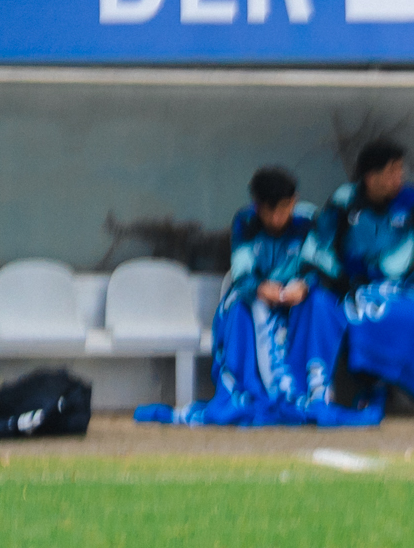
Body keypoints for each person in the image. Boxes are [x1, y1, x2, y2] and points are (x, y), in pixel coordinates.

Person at [135, 166, 371, 428]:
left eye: (284, 208)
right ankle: (249, 392)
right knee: (238, 308)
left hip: (298, 302)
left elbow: (325, 268)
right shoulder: (245, 221)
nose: (277, 217)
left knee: (321, 303)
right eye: (269, 211)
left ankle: (311, 392)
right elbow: (242, 272)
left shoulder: (309, 220)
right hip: (257, 297)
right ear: (257, 206)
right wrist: (260, 288)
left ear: (294, 201)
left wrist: (304, 285)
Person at [314, 138, 414, 418]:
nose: (399, 177)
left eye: (400, 170)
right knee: (365, 314)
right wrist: (342, 280)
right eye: (392, 171)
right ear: (371, 177)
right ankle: (371, 391)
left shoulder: (411, 200)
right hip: (354, 290)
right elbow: (320, 248)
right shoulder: (345, 200)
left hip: (400, 289)